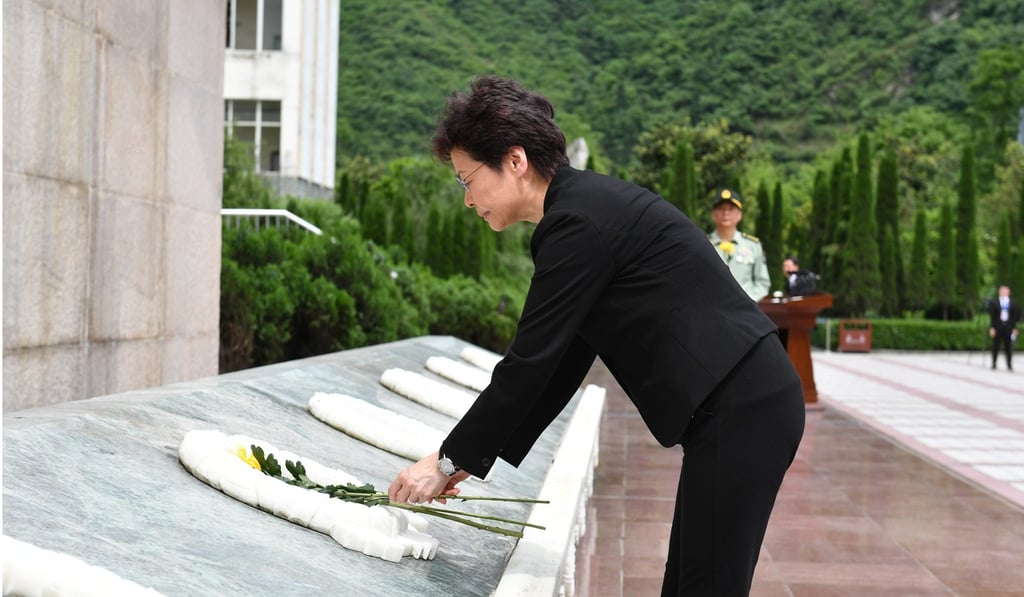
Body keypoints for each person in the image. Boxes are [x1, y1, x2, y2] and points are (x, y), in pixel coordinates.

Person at [387, 76, 805, 596]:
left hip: (744, 406)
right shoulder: (581, 209)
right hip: (741, 406)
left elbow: (529, 361)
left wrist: (445, 460)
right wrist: (467, 463)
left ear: (514, 161)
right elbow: (560, 366)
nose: (468, 200)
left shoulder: (576, 224)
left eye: (467, 180)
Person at [707, 189, 771, 301]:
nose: (725, 213)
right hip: (713, 308)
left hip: (745, 310)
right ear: (713, 214)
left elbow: (762, 282)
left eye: (731, 209)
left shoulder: (752, 245)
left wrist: (748, 301)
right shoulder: (704, 245)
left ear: (739, 215)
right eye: (721, 209)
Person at [987, 285, 1020, 371]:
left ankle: (1009, 364)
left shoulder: (1012, 302)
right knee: (995, 345)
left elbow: (1014, 317)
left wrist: (1014, 328)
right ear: (999, 292)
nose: (1004, 292)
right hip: (998, 326)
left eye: (1006, 291)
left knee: (1008, 346)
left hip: (1008, 327)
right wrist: (992, 328)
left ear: (1009, 292)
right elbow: (992, 316)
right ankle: (994, 363)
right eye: (1002, 291)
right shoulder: (994, 302)